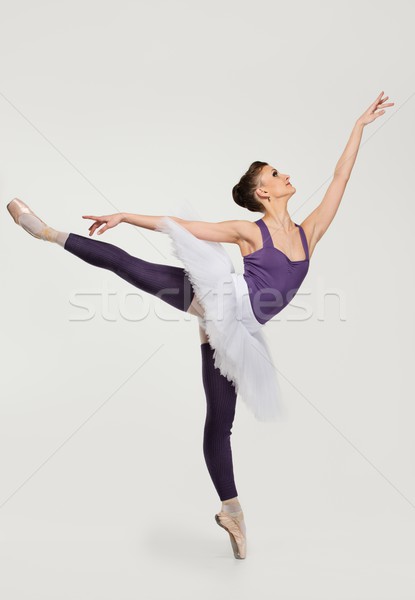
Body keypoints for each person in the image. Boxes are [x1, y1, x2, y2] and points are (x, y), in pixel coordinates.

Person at [6, 91, 394, 560]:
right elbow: (181, 227)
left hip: (240, 332)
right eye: (275, 173)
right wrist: (126, 214)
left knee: (220, 420)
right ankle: (47, 232)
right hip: (223, 299)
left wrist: (358, 125)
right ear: (263, 193)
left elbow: (341, 176)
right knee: (137, 269)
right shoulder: (251, 231)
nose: (285, 174)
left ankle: (231, 511)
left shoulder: (310, 232)